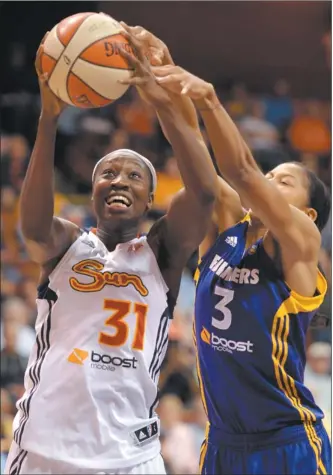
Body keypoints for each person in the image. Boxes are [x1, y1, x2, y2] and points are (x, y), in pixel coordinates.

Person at [5, 30, 218, 475]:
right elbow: (33, 228)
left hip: (130, 456)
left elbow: (203, 195)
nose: (119, 180)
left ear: (149, 200)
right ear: (93, 193)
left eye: (134, 176)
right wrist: (48, 120)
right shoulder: (67, 243)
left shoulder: (161, 252)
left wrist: (159, 101)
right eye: (109, 173)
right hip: (46, 450)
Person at [132, 26, 332, 475]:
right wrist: (158, 83)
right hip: (222, 445)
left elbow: (242, 172)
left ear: (308, 214)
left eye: (284, 182)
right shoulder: (228, 227)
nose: (269, 184)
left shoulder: (301, 243)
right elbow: (191, 145)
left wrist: (208, 98)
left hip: (288, 443)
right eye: (271, 175)